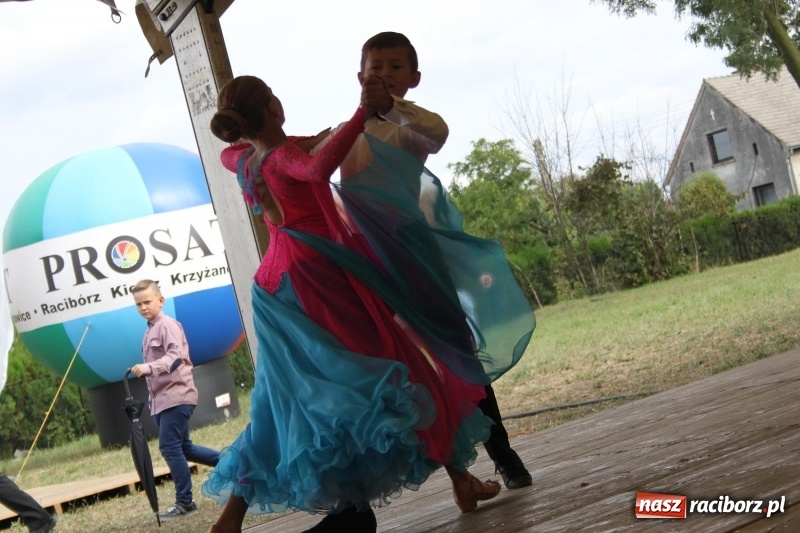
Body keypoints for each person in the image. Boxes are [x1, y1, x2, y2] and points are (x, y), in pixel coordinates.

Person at [202, 74, 522, 533]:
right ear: (272, 109)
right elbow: (315, 169)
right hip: (316, 280)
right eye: (274, 97)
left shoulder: (242, 160)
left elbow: (252, 152)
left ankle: (231, 517)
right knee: (398, 370)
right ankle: (459, 478)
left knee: (279, 401)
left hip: (272, 287)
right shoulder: (285, 158)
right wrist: (360, 116)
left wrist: (311, 139)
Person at [316, 31, 534, 492]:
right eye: (376, 67)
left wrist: (392, 107)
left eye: (395, 67)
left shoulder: (409, 125)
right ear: (359, 76)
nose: (384, 74)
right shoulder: (345, 131)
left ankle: (502, 453)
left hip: (409, 248)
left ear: (413, 78)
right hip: (365, 257)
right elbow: (312, 166)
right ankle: (410, 471)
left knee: (456, 349)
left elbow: (438, 133)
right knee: (384, 357)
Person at [129, 279, 220, 522]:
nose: (143, 307)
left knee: (169, 447)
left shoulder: (167, 325)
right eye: (138, 304)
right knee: (184, 448)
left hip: (177, 397)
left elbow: (175, 357)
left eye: (147, 302)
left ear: (160, 300)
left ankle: (185, 502)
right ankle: (234, 465)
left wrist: (148, 368)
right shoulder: (150, 330)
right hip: (161, 401)